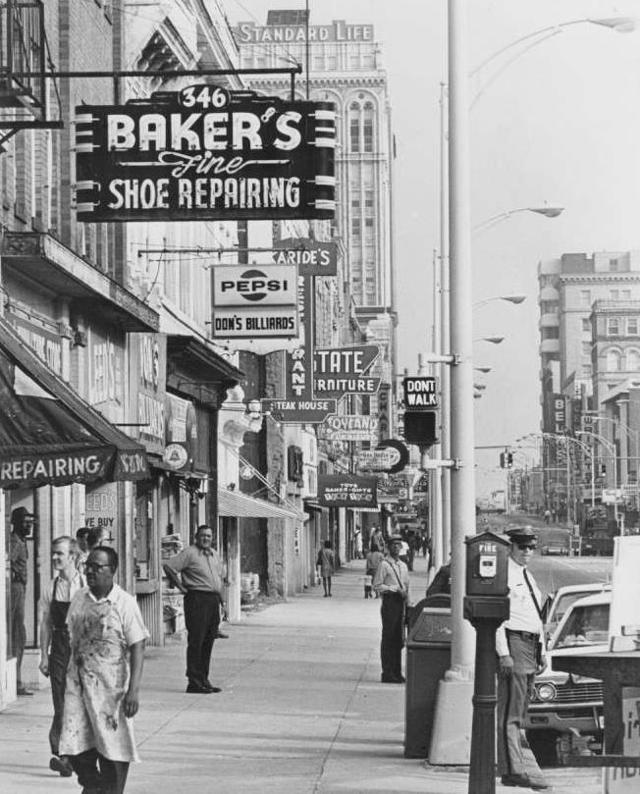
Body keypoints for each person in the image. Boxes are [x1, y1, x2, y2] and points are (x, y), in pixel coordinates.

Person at [59, 546, 148, 794]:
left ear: (113, 570)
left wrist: (133, 691)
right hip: (78, 684)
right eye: (88, 566)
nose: (91, 572)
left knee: (113, 747)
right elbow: (70, 637)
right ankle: (94, 786)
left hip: (112, 690)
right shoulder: (79, 598)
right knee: (74, 743)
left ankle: (107, 790)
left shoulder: (125, 603)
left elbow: (138, 645)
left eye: (98, 567)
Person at [495, 526, 550, 791]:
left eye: (531, 547)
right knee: (511, 712)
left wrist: (543, 651)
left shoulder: (526, 576)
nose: (527, 552)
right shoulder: (504, 574)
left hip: (530, 645)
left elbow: (537, 619)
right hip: (514, 643)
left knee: (521, 711)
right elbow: (497, 618)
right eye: (522, 547)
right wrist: (504, 653)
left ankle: (517, 764)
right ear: (511, 547)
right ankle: (512, 769)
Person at [39, 536, 85, 778]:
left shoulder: (86, 585)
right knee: (60, 701)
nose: (55, 557)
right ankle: (62, 755)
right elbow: (45, 623)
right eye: (54, 553)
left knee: (78, 701)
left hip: (82, 649)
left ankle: (73, 754)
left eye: (60, 554)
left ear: (73, 557)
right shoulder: (51, 586)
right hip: (58, 648)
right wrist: (43, 656)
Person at [163, 525, 226, 693]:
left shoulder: (214, 555)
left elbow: (218, 580)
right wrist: (181, 587)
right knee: (197, 640)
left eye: (209, 536)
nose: (206, 538)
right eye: (203, 535)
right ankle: (194, 681)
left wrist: (222, 602)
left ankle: (204, 679)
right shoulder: (190, 553)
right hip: (197, 599)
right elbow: (169, 567)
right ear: (196, 537)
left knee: (208, 640)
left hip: (212, 600)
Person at [373, 535, 410, 683]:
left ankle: (397, 671)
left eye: (398, 545)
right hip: (390, 602)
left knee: (398, 638)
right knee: (388, 638)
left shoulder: (403, 566)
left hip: (401, 603)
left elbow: (407, 585)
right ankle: (387, 672)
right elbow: (377, 585)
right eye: (393, 544)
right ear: (388, 547)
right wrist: (393, 589)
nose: (396, 547)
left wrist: (408, 602)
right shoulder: (384, 565)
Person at [9, 506, 36, 696]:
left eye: (30, 523)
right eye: (26, 523)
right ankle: (15, 681)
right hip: (15, 588)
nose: (29, 527)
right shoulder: (15, 542)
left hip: (20, 588)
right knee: (17, 633)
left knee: (20, 633)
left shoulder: (20, 541)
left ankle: (16, 679)